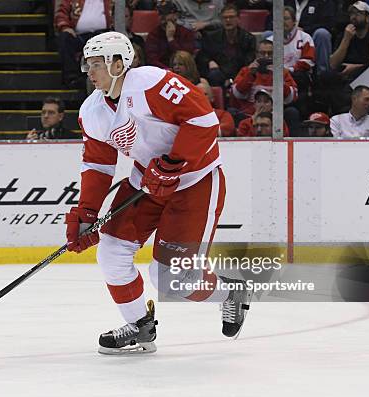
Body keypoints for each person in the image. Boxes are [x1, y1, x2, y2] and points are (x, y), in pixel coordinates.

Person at [67, 32, 252, 354]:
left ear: (118, 63)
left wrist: (173, 163)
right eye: (88, 64)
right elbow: (98, 165)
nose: (90, 71)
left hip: (196, 182)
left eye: (97, 64)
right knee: (111, 252)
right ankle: (140, 326)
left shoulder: (151, 83)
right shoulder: (92, 111)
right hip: (145, 183)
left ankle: (230, 292)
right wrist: (86, 213)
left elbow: (204, 121)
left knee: (170, 280)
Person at [231, 39, 298, 116]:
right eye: (262, 53)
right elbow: (236, 94)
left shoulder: (282, 72)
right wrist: (250, 75)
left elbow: (292, 97)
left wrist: (278, 78)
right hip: (249, 114)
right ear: (256, 54)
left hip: (276, 116)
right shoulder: (246, 70)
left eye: (270, 53)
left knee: (292, 112)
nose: (266, 56)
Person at [54, 0, 112, 88]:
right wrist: (65, 27)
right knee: (65, 38)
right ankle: (72, 78)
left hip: (103, 36)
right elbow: (61, 13)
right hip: (79, 35)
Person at [195, 3, 256, 87]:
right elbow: (202, 56)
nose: (228, 20)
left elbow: (248, 61)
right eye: (225, 17)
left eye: (231, 17)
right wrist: (209, 61)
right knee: (213, 74)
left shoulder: (248, 39)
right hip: (218, 74)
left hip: (239, 73)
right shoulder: (211, 37)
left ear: (238, 19)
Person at [282, 0, 337, 73]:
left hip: (310, 36)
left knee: (322, 34)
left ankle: (322, 74)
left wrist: (305, 29)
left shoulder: (324, 2)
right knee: (267, 34)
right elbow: (270, 21)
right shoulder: (284, 1)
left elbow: (328, 24)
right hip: (285, 34)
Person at [145, 0, 195, 69]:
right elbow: (151, 59)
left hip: (182, 70)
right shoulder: (153, 35)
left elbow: (185, 59)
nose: (163, 18)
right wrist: (167, 70)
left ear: (175, 15)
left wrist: (171, 39)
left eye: (166, 14)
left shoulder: (185, 33)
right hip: (162, 71)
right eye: (160, 14)